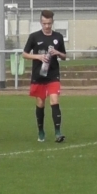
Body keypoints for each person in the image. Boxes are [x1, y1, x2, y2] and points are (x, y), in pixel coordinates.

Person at [22, 10, 67, 143]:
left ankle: (58, 132)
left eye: (49, 23)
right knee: (40, 103)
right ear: (40, 22)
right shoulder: (34, 37)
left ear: (52, 22)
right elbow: (24, 54)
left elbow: (64, 56)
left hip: (53, 75)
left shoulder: (58, 37)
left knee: (54, 100)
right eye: (44, 23)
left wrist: (58, 53)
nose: (47, 26)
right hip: (39, 75)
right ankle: (41, 131)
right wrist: (39, 57)